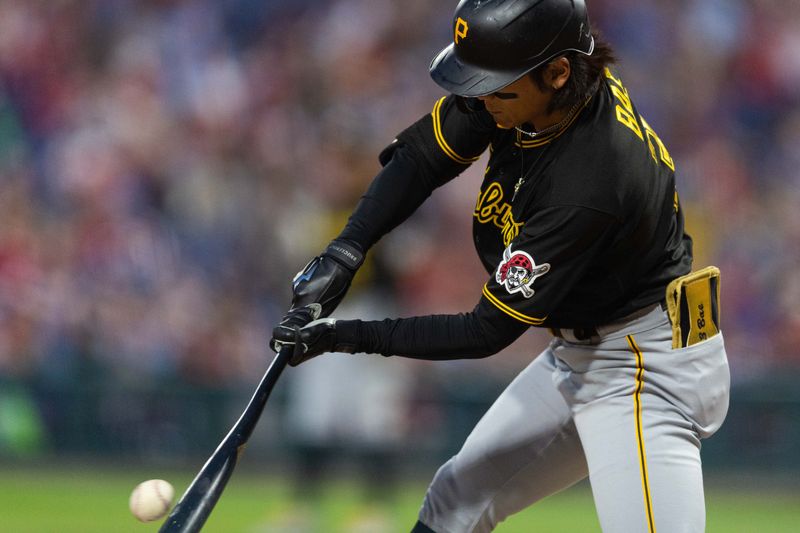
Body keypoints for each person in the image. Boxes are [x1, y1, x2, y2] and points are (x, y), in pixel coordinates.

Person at [271, 1, 731, 531]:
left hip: (644, 367)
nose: (480, 97)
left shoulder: (592, 176)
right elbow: (421, 158)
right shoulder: (540, 86)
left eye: (495, 85)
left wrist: (343, 336)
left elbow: (485, 331)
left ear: (558, 73)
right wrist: (345, 252)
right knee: (455, 501)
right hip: (583, 352)